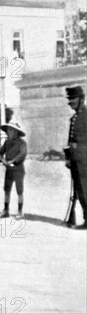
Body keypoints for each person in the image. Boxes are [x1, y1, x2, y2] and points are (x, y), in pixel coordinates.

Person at [65, 86, 87, 229]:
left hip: (84, 159)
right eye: (70, 99)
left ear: (81, 99)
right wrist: (68, 157)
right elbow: (70, 140)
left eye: (73, 99)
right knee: (79, 189)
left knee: (85, 188)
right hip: (75, 159)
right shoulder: (74, 117)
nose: (71, 102)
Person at [0, 122, 28, 220]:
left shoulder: (22, 143)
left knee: (19, 191)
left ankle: (20, 211)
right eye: (8, 130)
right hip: (9, 170)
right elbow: (0, 153)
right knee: (7, 190)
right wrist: (2, 160)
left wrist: (13, 161)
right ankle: (6, 210)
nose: (10, 132)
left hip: (18, 169)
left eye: (12, 130)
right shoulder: (7, 142)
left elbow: (22, 154)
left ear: (17, 132)